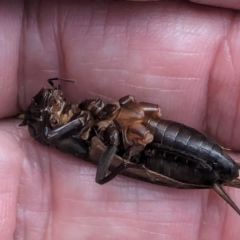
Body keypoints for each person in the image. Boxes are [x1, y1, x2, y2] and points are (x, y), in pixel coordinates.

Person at [1, 0, 240, 239]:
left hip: (146, 135)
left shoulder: (84, 113)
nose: (54, 99)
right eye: (47, 106)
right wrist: (125, 163)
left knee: (218, 163)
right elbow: (97, 169)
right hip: (141, 154)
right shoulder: (65, 132)